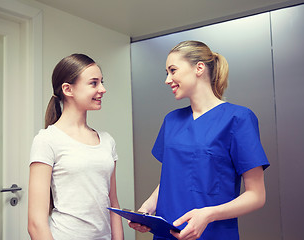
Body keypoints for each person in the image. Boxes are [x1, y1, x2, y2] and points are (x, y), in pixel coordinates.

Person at [129, 40, 270, 240]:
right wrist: (147, 208)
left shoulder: (238, 118)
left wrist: (208, 214)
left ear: (199, 68)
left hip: (212, 234)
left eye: (173, 70)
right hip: (167, 233)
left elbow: (256, 196)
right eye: (166, 73)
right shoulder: (171, 120)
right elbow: (171, 178)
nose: (168, 79)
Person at [28, 54, 124, 240]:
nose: (102, 89)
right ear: (68, 89)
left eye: (101, 82)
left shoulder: (107, 141)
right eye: (94, 83)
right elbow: (35, 224)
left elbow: (114, 204)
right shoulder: (47, 140)